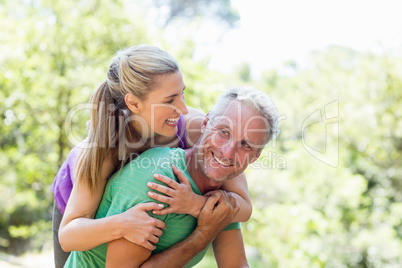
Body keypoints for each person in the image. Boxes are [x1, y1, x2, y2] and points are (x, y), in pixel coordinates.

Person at [52, 45, 254, 268]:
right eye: (170, 100)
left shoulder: (194, 127)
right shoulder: (105, 148)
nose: (184, 109)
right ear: (134, 103)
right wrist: (122, 223)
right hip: (82, 217)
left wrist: (196, 205)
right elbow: (69, 236)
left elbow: (243, 207)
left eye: (182, 94)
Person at [64, 87, 280, 267]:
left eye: (245, 145)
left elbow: (235, 264)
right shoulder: (159, 182)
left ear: (255, 157)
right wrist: (203, 234)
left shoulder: (221, 197)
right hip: (73, 196)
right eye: (223, 131)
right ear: (205, 124)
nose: (228, 151)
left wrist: (200, 208)